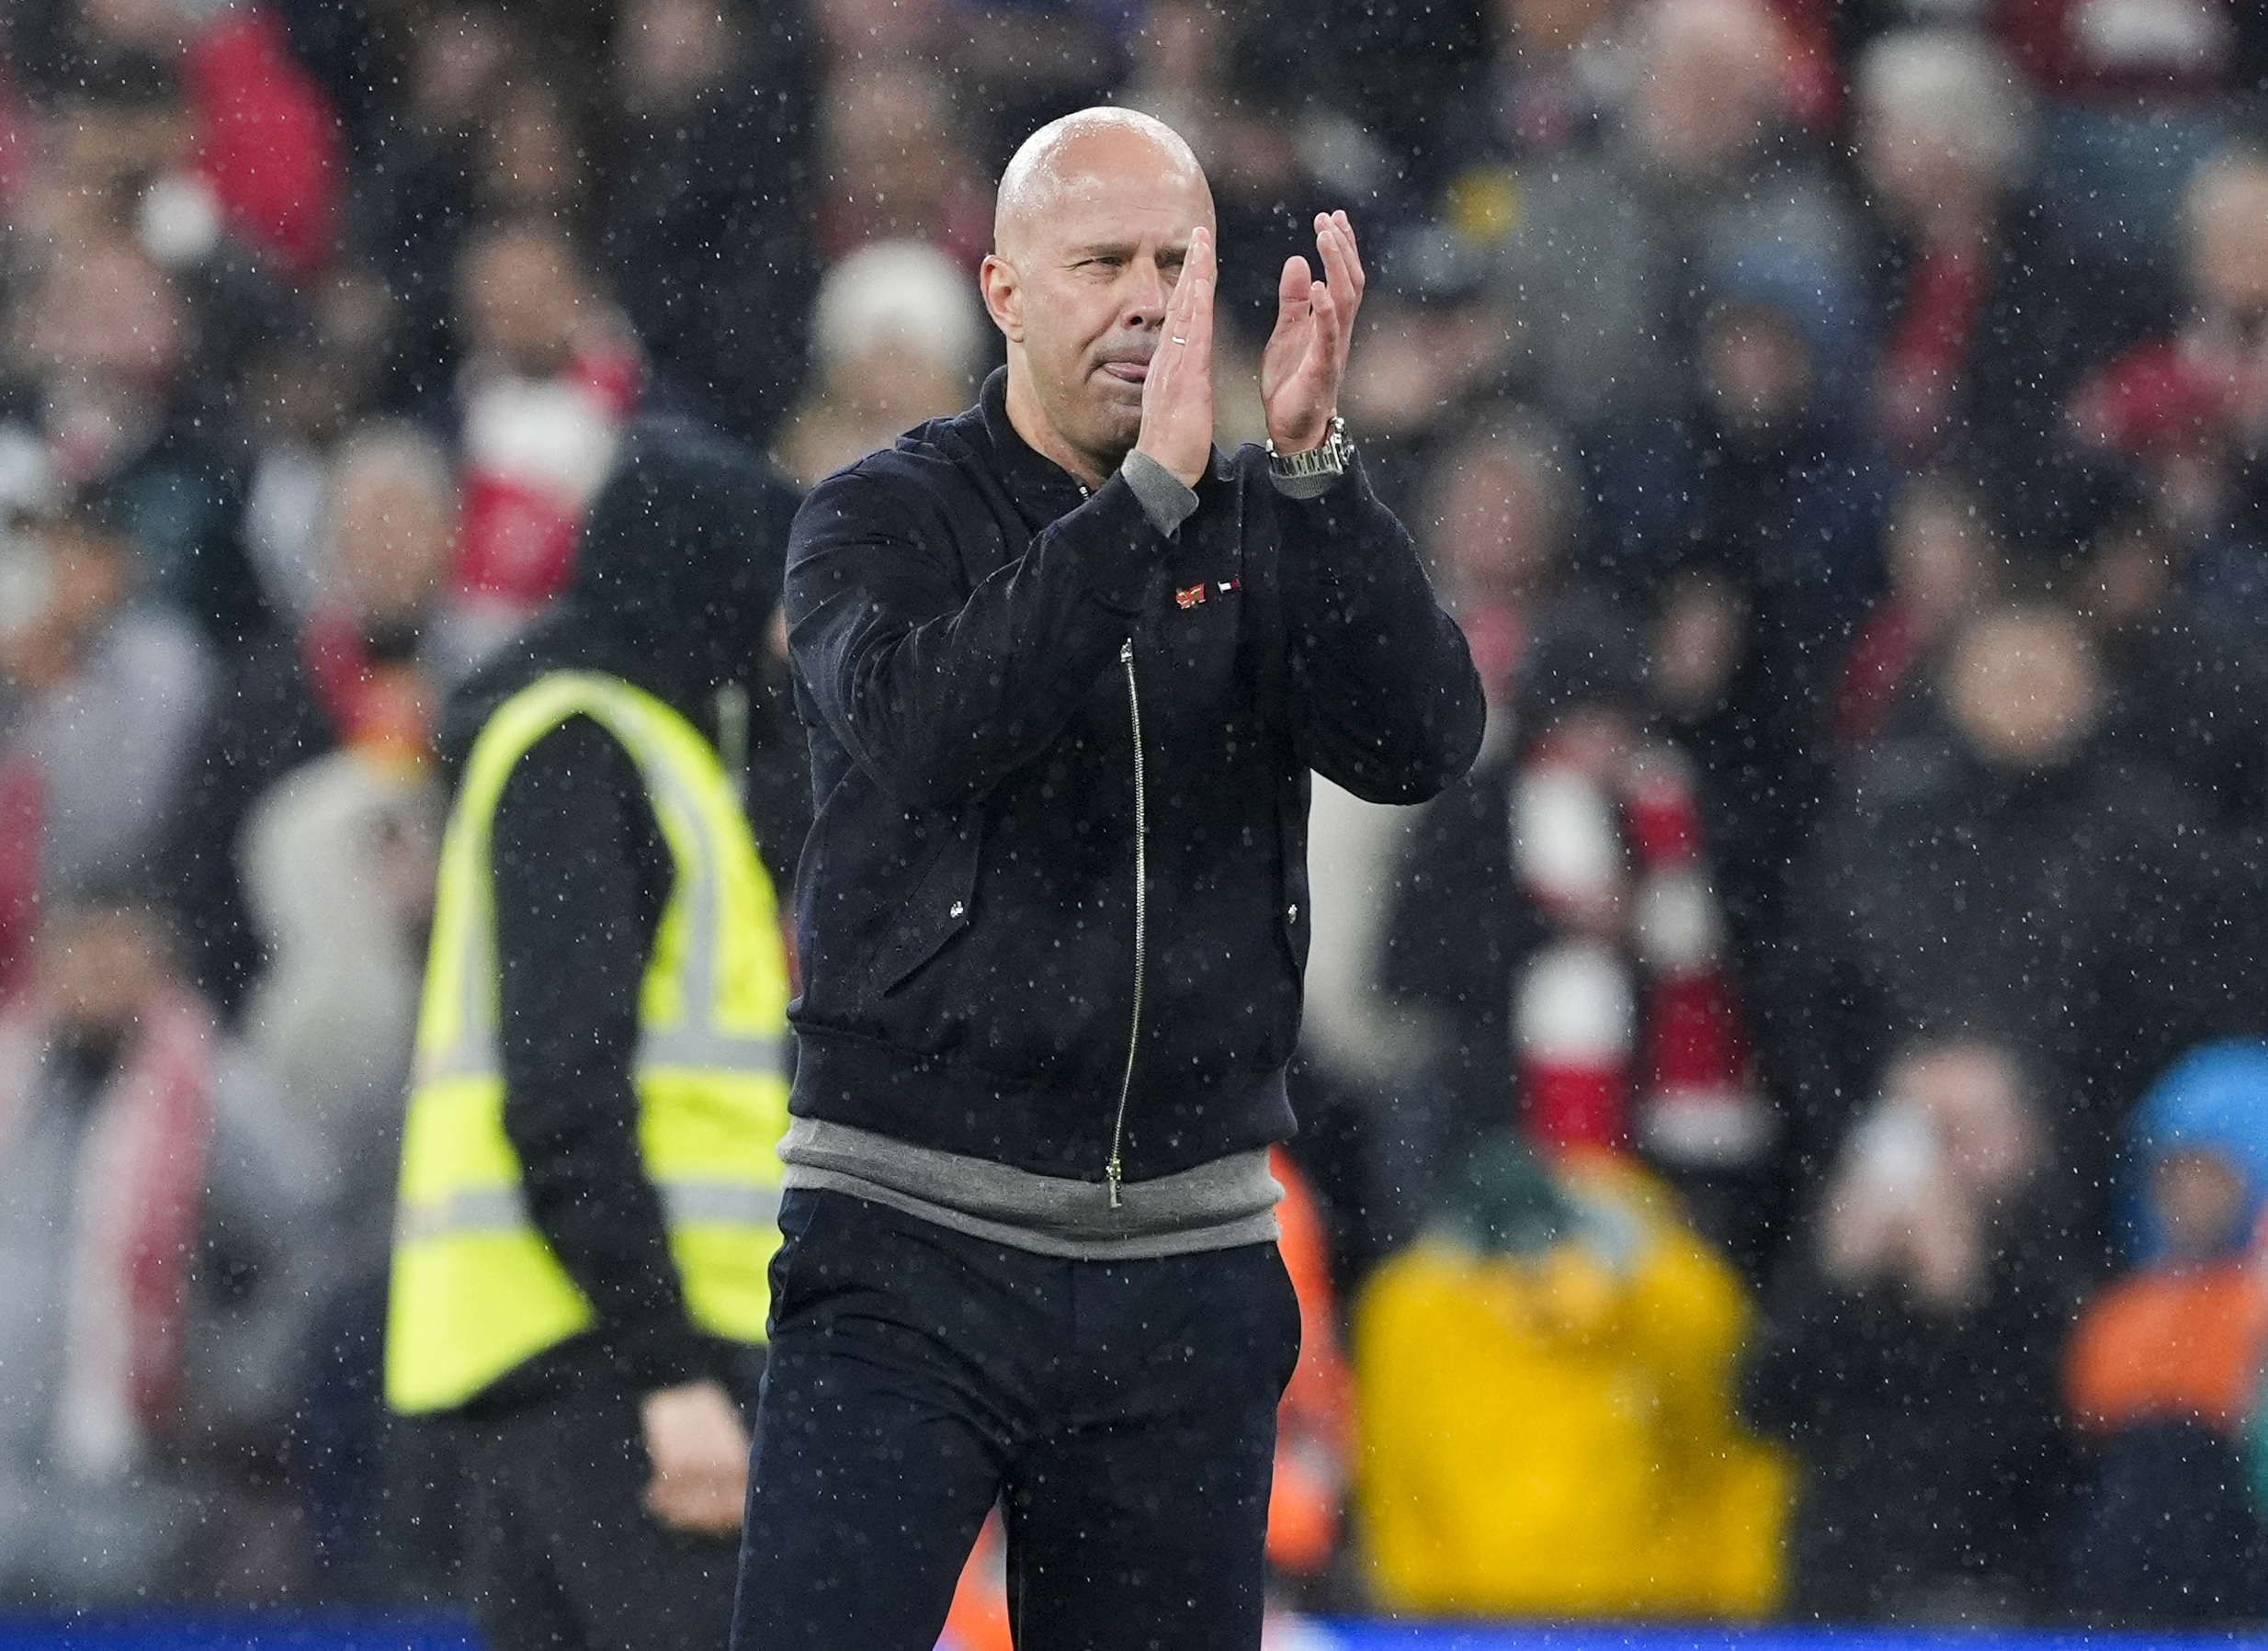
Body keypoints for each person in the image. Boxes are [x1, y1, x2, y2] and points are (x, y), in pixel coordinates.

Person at [731, 106, 1484, 1651]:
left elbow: (1423, 740)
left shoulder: (1266, 512)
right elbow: (937, 727)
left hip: (1186, 1265)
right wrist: (1140, 504)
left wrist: (1318, 474)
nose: (1148, 297)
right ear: (1005, 292)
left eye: (1176, 260)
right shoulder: (879, 516)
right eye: (1101, 263)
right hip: (908, 1245)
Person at [383, 415, 802, 1650]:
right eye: (776, 590)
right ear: (715, 580)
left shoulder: (647, 748)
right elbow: (565, 1091)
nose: (786, 632)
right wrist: (666, 1371)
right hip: (610, 1355)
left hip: (574, 1342)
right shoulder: (588, 750)